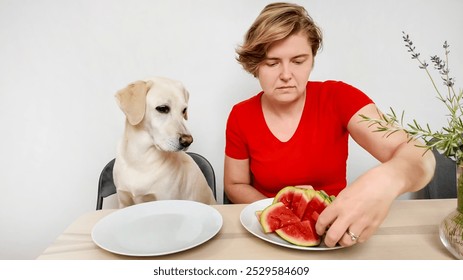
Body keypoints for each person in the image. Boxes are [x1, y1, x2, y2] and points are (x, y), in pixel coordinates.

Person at [224, 2, 436, 247]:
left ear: (312, 60)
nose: (285, 74)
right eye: (272, 63)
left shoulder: (339, 98)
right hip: (265, 238)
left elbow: (421, 156)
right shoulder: (241, 114)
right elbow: (235, 184)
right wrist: (283, 213)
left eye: (298, 61)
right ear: (255, 65)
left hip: (335, 235)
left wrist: (388, 179)